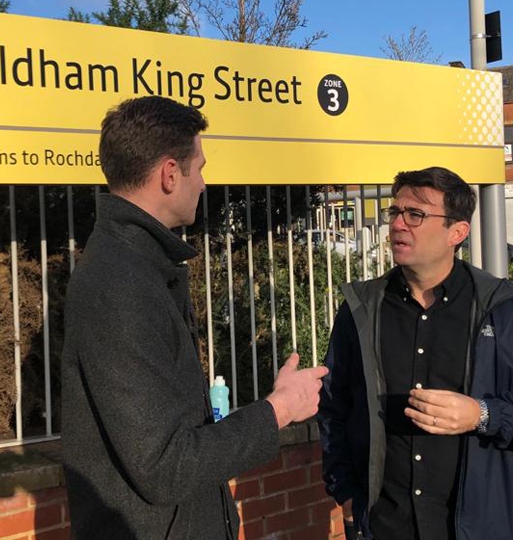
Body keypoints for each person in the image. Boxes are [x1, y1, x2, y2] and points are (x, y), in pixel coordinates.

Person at [62, 95, 328, 539]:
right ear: (170, 174)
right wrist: (279, 409)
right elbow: (165, 466)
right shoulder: (119, 282)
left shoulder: (138, 265)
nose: (203, 182)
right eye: (199, 167)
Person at [317, 166, 513, 540]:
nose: (397, 225)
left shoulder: (506, 309)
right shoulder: (362, 309)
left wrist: (483, 415)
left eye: (415, 215)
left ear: (457, 232)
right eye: (395, 213)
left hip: (483, 528)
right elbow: (334, 406)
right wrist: (345, 490)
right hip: (385, 527)